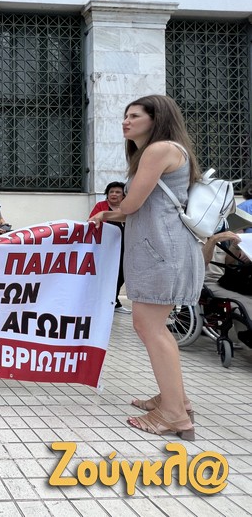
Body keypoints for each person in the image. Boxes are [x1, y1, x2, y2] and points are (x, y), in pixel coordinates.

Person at [90, 94, 202, 440]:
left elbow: (132, 204)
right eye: (125, 115)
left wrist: (107, 213)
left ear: (157, 119)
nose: (126, 121)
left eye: (135, 116)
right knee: (152, 327)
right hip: (161, 248)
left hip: (162, 250)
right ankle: (176, 400)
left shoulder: (159, 150)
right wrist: (109, 215)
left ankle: (174, 416)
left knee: (150, 327)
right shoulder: (164, 151)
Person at [89, 181, 130, 314]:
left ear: (124, 195)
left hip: (125, 246)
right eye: (111, 192)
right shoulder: (101, 207)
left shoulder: (128, 208)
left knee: (122, 274)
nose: (114, 194)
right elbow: (91, 222)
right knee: (105, 274)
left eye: (118, 192)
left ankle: (114, 301)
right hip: (105, 247)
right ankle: (102, 301)